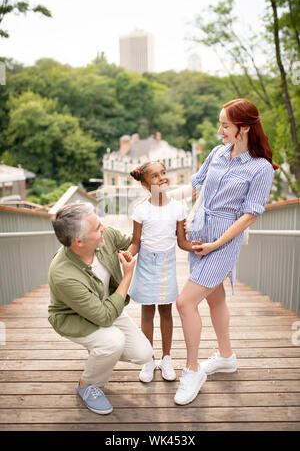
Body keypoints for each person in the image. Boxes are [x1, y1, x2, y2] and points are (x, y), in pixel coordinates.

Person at [173, 98, 279, 406]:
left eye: (225, 125)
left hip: (223, 241)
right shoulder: (217, 153)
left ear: (243, 128)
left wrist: (218, 244)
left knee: (185, 302)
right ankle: (225, 356)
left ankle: (192, 370)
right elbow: (194, 187)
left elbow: (249, 215)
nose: (220, 130)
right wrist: (155, 196)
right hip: (200, 232)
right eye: (221, 123)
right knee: (214, 297)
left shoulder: (260, 169)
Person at [48, 202, 153, 415]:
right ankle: (87, 385)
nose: (103, 228)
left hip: (106, 305)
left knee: (144, 354)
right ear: (79, 241)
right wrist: (128, 275)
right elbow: (104, 318)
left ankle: (100, 350)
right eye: (97, 228)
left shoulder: (105, 237)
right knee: (112, 340)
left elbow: (134, 240)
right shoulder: (63, 275)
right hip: (74, 317)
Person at [121, 161, 194, 384]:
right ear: (145, 185)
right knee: (147, 313)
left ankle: (167, 358)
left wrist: (196, 246)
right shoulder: (141, 210)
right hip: (145, 264)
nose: (162, 178)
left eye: (163, 173)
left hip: (167, 263)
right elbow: (136, 243)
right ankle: (148, 360)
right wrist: (128, 254)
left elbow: (181, 242)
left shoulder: (178, 208)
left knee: (165, 311)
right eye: (154, 176)